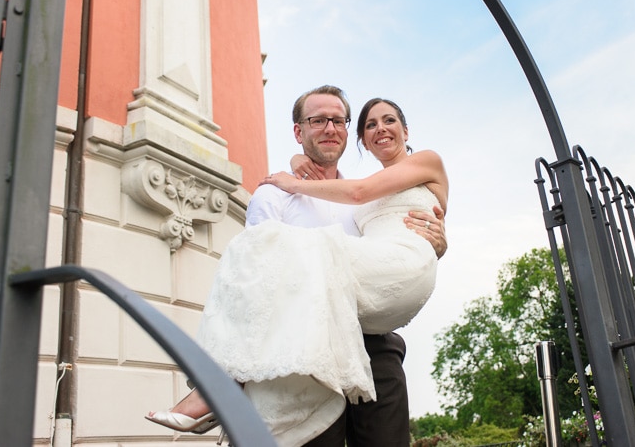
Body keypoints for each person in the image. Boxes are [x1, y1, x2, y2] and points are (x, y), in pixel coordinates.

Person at [147, 89, 448, 446]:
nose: (329, 128)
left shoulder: (362, 195)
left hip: (371, 340)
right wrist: (292, 175)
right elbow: (256, 281)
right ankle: (221, 381)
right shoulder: (274, 193)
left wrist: (439, 245)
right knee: (257, 249)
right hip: (302, 352)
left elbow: (392, 231)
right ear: (298, 131)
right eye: (318, 120)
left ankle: (220, 383)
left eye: (338, 121)